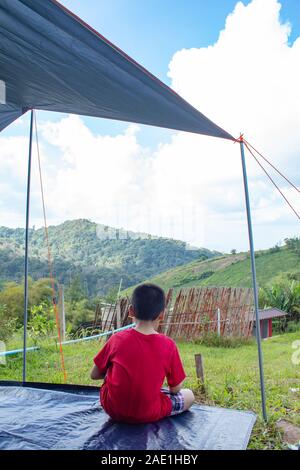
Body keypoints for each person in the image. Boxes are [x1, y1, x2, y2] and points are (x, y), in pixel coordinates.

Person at [90, 283, 195, 424]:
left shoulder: (116, 339)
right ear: (161, 315)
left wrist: (113, 373)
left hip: (112, 408)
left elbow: (94, 375)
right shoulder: (168, 345)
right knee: (189, 395)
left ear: (131, 311)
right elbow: (175, 389)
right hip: (147, 413)